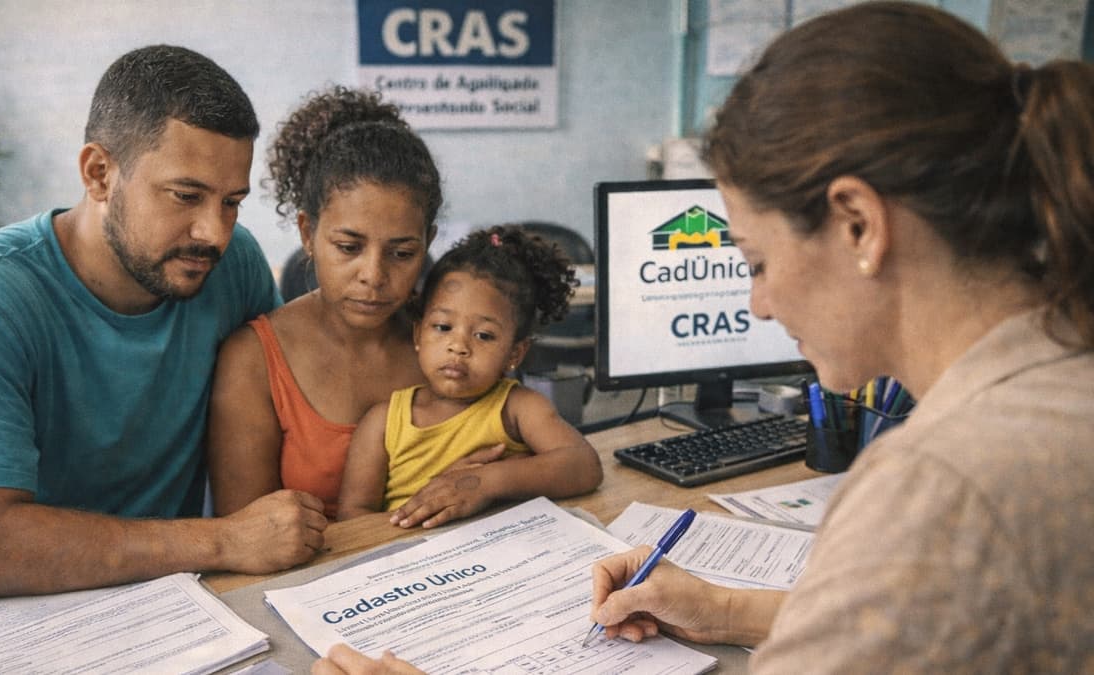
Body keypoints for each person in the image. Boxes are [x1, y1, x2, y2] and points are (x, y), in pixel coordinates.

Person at [313, 1, 1094, 672]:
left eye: (756, 261)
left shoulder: (937, 485)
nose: (757, 304)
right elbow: (919, 614)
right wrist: (726, 610)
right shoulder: (1061, 382)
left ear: (858, 224)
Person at [0, 45, 328, 605]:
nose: (214, 232)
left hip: (163, 598)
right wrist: (224, 540)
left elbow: (309, 382)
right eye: (186, 196)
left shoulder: (231, 263)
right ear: (99, 173)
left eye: (231, 202)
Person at [208, 86, 453, 521]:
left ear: (427, 242)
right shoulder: (252, 361)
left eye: (402, 253)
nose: (373, 275)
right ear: (308, 234)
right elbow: (248, 539)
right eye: (348, 247)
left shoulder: (453, 344)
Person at [336, 225, 603, 528]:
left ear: (515, 353)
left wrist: (484, 482)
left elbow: (585, 465)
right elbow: (352, 519)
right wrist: (415, 517)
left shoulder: (516, 408)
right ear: (419, 334)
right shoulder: (384, 422)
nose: (459, 346)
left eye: (484, 335)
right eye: (443, 327)